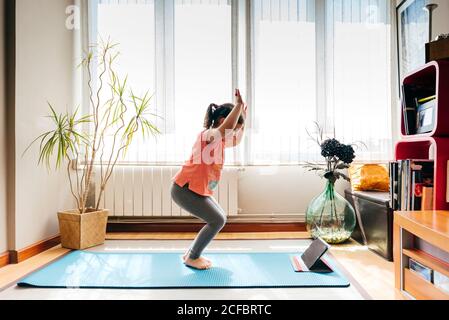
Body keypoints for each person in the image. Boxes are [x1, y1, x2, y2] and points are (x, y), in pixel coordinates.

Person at [170, 89, 247, 270]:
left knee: (220, 218)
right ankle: (193, 257)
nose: (236, 132)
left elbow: (236, 141)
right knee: (217, 220)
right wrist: (237, 107)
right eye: (235, 127)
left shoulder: (219, 141)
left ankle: (190, 253)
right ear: (222, 121)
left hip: (196, 189)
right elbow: (226, 129)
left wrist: (243, 117)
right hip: (184, 188)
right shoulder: (209, 135)